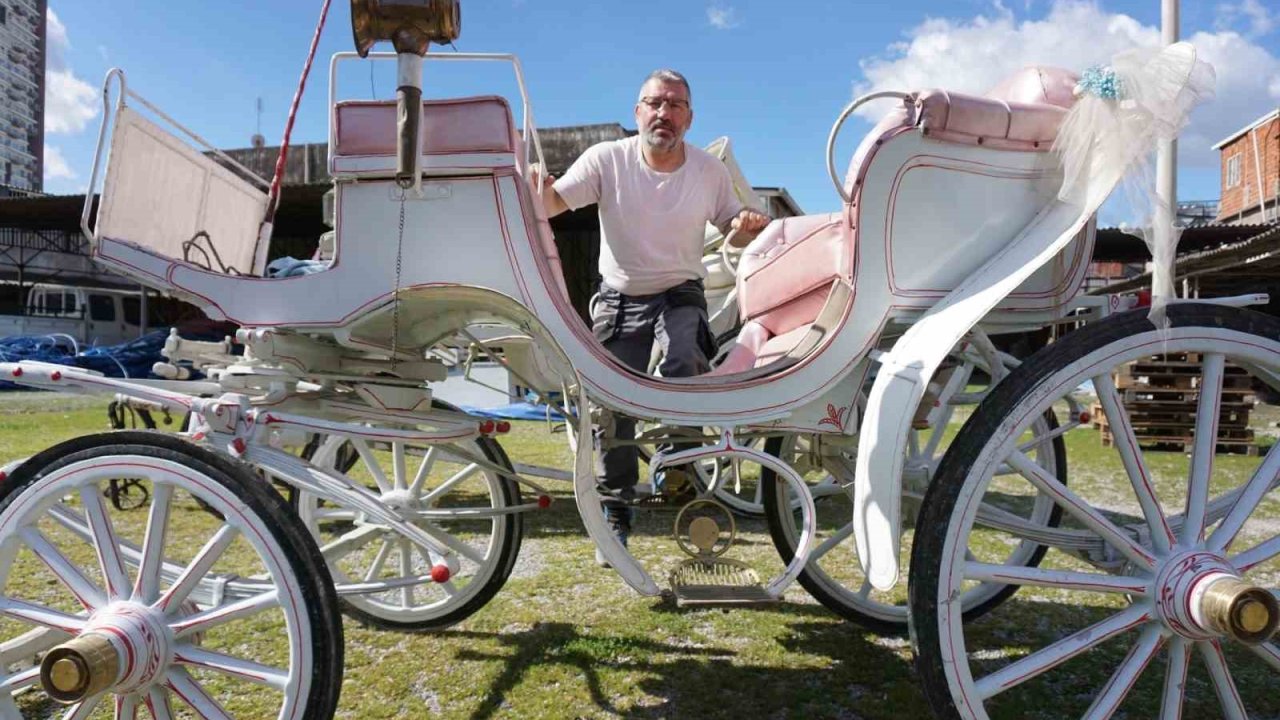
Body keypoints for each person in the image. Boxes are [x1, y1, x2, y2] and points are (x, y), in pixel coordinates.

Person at [530, 69, 771, 566]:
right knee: (615, 402)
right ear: (638, 112)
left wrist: (745, 227)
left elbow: (731, 224)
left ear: (689, 117)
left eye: (675, 105)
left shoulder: (708, 170)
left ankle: (677, 468)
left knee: (686, 360)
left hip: (681, 291)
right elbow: (551, 204)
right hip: (619, 297)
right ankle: (617, 514)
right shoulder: (606, 160)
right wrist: (536, 190)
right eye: (654, 103)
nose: (664, 113)